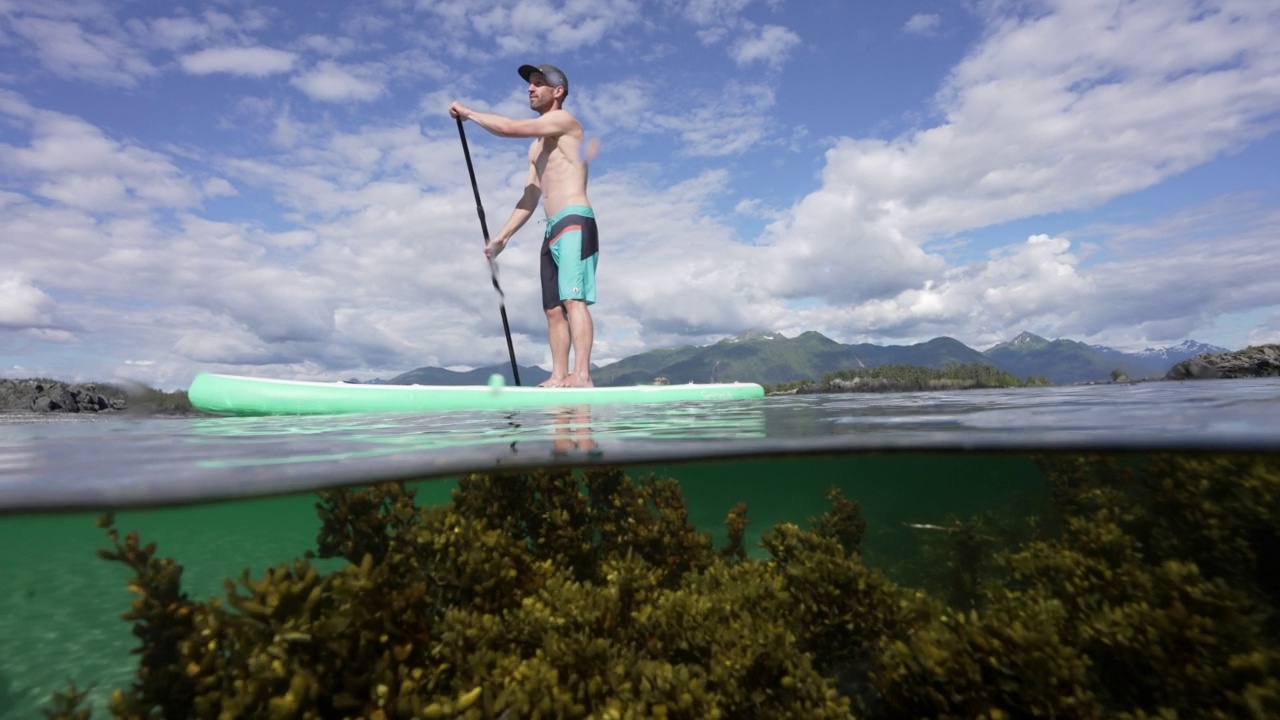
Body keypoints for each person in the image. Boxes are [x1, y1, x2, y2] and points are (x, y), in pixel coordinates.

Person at [449, 63, 599, 388]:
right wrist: (501, 238)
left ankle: (582, 375)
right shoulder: (535, 150)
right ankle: (559, 375)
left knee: (574, 300)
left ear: (557, 91)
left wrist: (470, 114)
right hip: (552, 228)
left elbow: (506, 128)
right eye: (529, 84)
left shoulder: (564, 121)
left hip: (575, 219)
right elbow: (530, 198)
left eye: (538, 83)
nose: (530, 88)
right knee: (552, 310)